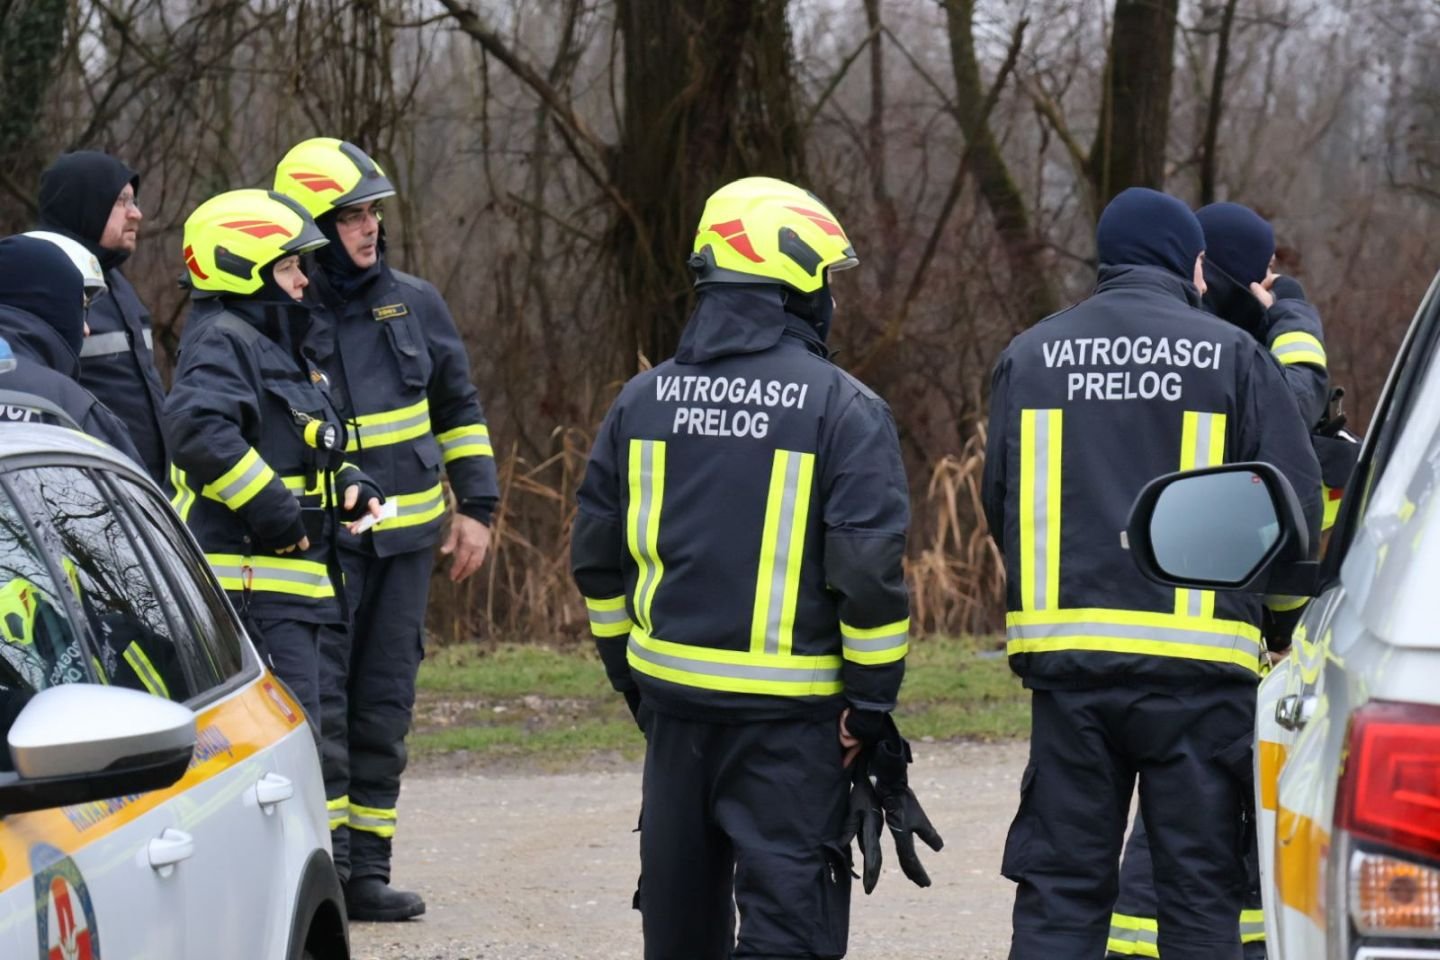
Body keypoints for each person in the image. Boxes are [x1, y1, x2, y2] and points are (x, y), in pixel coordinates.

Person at [571, 176, 939, 959]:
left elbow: (596, 564)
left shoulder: (641, 401)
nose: (831, 298)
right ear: (793, 284)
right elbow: (868, 579)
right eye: (826, 280)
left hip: (673, 719)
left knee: (679, 934)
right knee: (790, 935)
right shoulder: (844, 409)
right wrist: (869, 709)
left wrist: (632, 682)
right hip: (793, 733)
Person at [983, 187, 1322, 960]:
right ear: (1189, 263)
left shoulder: (1029, 355)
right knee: (1198, 892)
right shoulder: (1232, 355)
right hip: (1200, 680)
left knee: (1060, 892)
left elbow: (999, 498)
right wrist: (1274, 625)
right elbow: (1295, 505)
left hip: (1070, 672)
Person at [1106, 200, 1351, 960]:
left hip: (1109, 637)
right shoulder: (1233, 363)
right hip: (1214, 646)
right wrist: (1296, 324)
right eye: (1267, 273)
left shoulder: (1136, 360)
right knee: (1206, 839)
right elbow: (1291, 420)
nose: (1274, 286)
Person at [271, 137, 499, 922]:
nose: (370, 227)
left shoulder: (416, 302)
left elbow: (458, 408)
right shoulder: (279, 314)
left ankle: (367, 872)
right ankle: (327, 874)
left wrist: (477, 508)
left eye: (373, 212)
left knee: (383, 707)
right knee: (323, 713)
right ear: (311, 227)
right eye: (351, 216)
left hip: (405, 547)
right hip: (319, 551)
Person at [163, 189, 382, 730]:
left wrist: (350, 482)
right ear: (243, 271)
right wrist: (273, 508)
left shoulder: (271, 342)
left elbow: (296, 443)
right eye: (288, 267)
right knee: (287, 747)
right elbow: (197, 429)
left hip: (293, 598)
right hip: (253, 596)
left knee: (311, 745)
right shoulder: (223, 340)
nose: (303, 280)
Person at [36, 151, 169, 485]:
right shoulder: (43, 284)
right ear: (84, 205)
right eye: (121, 201)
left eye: (134, 200)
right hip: (87, 488)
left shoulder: (114, 279)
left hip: (143, 485)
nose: (136, 213)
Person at [0, 235, 142, 460]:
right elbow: (124, 479)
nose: (86, 329)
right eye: (79, 310)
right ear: (50, 308)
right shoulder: (73, 408)